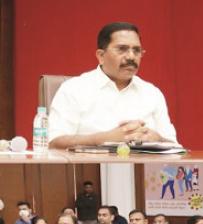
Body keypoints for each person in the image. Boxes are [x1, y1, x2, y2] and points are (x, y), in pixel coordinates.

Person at [48, 22, 178, 149]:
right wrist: (105, 138)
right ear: (101, 56)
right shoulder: (74, 89)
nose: (131, 57)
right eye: (122, 49)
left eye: (137, 50)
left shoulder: (152, 93)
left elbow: (175, 146)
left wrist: (157, 138)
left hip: (144, 169)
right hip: (89, 168)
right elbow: (53, 142)